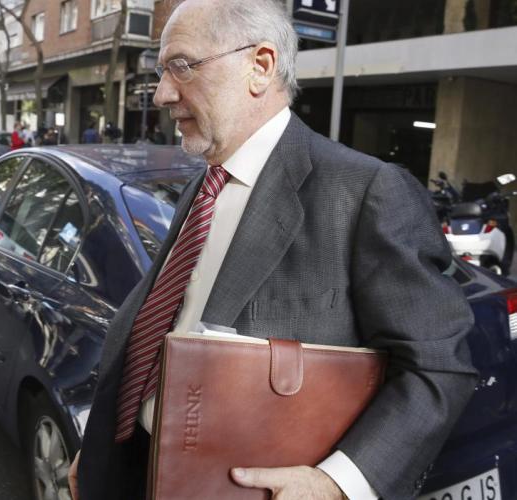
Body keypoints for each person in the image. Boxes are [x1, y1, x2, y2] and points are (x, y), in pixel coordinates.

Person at [70, 1, 477, 499]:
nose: (162, 93)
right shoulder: (204, 184)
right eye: (162, 72)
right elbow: (160, 328)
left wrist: (336, 483)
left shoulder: (364, 192)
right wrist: (105, 446)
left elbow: (438, 366)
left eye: (182, 66)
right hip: (137, 467)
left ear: (260, 66)